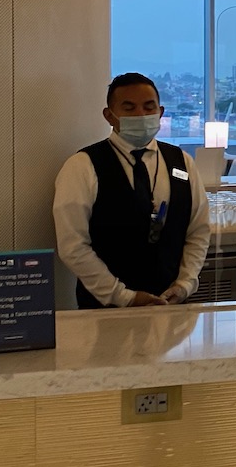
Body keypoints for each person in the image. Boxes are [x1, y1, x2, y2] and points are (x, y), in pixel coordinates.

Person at [53, 73, 211, 307]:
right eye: (129, 108)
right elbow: (73, 245)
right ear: (109, 115)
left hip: (173, 307)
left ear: (161, 112)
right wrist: (124, 297)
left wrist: (185, 283)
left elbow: (198, 230)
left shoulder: (182, 162)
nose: (141, 115)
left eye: (149, 107)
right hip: (106, 310)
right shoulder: (83, 165)